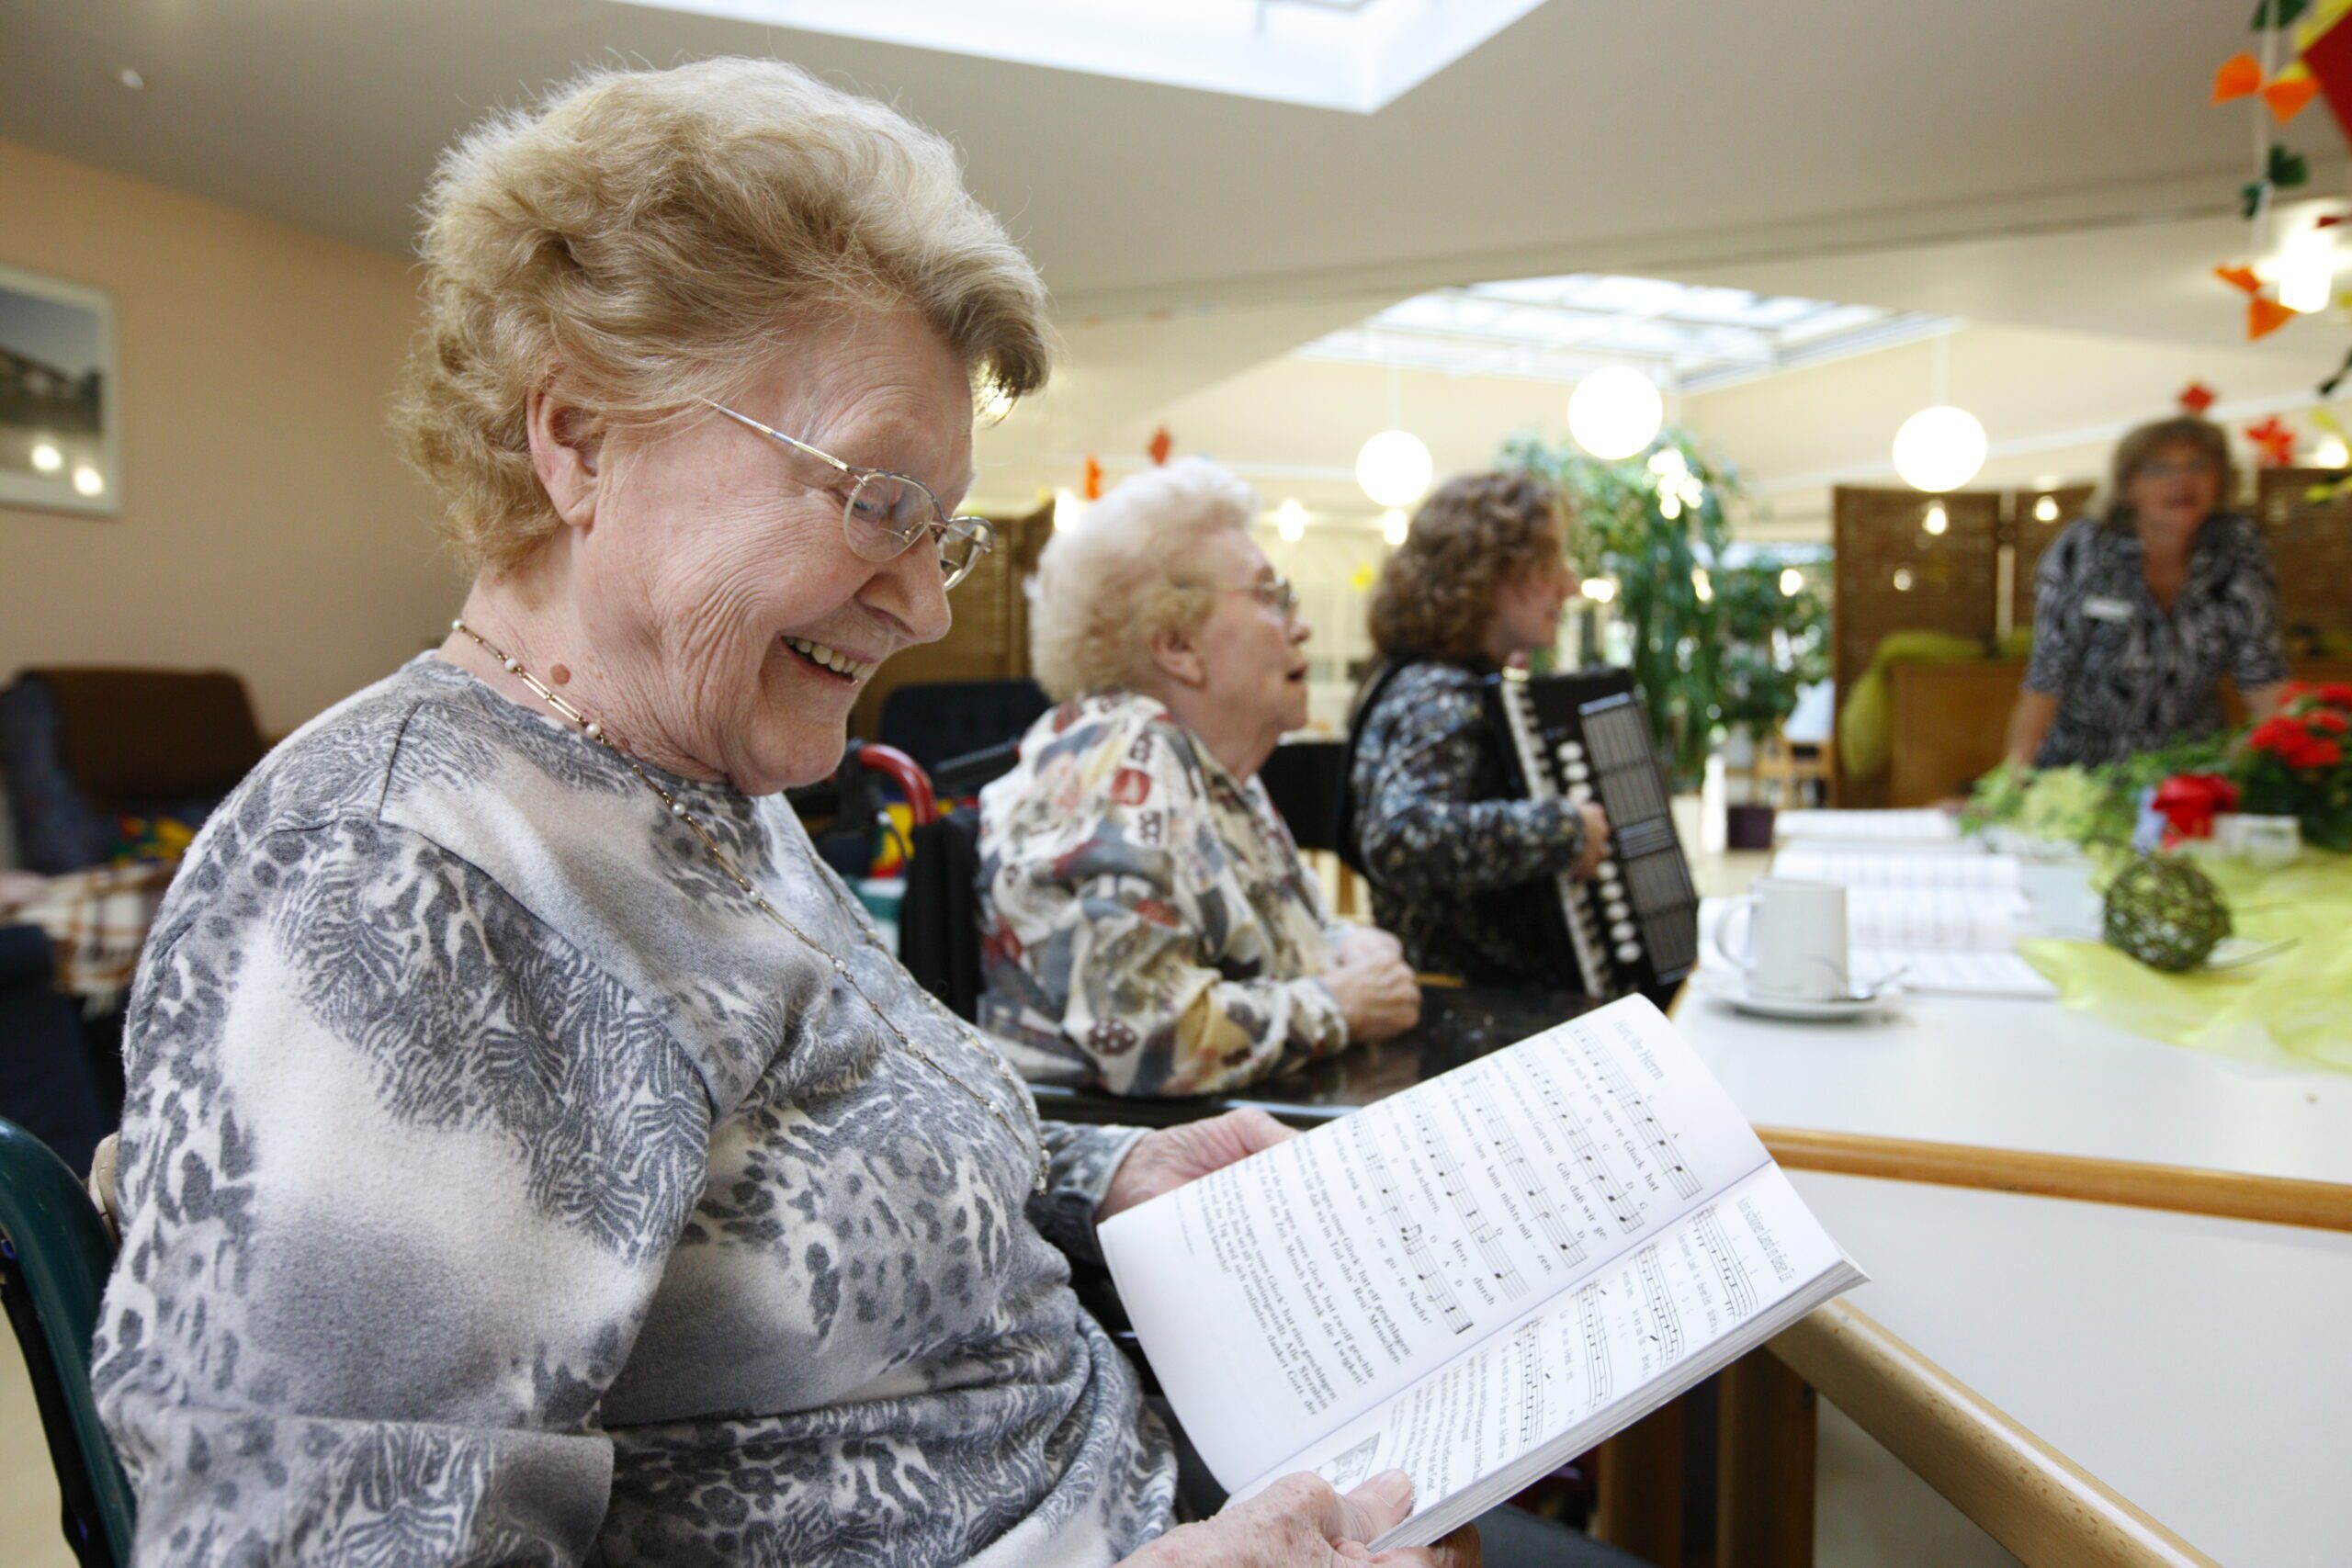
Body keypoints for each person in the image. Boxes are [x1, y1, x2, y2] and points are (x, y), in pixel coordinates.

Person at [87, 61, 1479, 1567]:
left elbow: (796, 1172)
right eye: (876, 498)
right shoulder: (399, 887)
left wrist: (1113, 1174)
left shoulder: (704, 782)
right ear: (583, 437)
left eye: (938, 526)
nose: (931, 598)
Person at [978, 459, 1421, 1096]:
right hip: (1125, 1158)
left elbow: (1264, 941)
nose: (1302, 625)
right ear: (1177, 645)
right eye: (1271, 596)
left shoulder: (1208, 768)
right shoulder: (1123, 759)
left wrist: (1348, 944)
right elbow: (1143, 1035)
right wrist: (1340, 1002)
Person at [1347, 471, 1610, 986]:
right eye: (1550, 561)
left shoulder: (1423, 678)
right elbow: (1401, 837)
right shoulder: (1443, 692)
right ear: (1493, 574)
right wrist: (1563, 829)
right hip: (1474, 1014)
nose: (1569, 585)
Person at [2006, 415, 2289, 768]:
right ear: (2127, 487)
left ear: (2220, 480)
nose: (2181, 481)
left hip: (2192, 768)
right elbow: (2048, 674)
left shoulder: (2238, 548)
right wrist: (2015, 775)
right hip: (2082, 766)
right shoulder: (2085, 548)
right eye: (2159, 469)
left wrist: (2269, 762)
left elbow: (2261, 671)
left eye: (2197, 466)